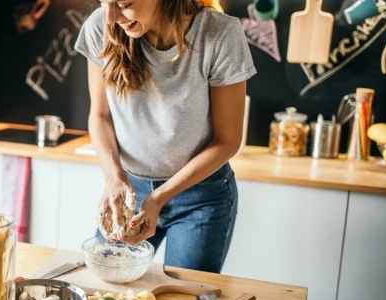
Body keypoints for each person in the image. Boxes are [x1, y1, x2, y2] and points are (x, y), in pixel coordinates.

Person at [74, 0, 256, 273]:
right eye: (104, 2)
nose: (110, 16)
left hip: (200, 196)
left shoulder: (219, 34)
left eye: (123, 4)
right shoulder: (100, 27)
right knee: (107, 292)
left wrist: (159, 198)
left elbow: (228, 140)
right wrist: (114, 177)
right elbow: (100, 115)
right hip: (130, 191)